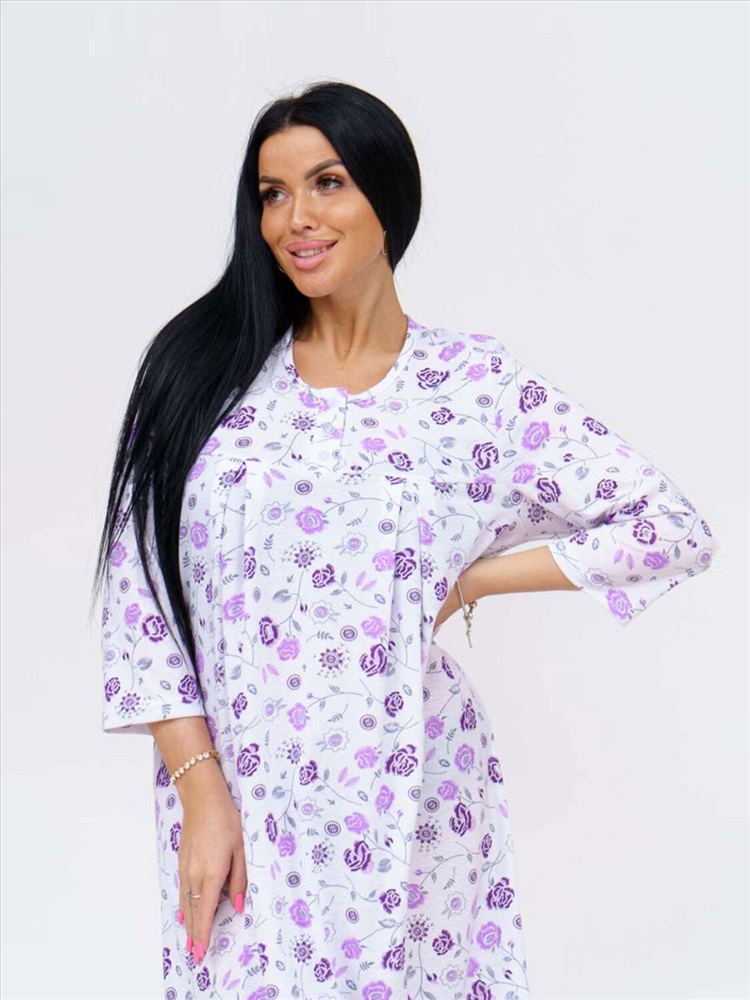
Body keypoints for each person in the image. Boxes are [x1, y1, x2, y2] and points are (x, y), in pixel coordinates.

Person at [94, 81, 716, 1000]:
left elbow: (671, 529)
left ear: (388, 196)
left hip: (414, 788)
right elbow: (138, 591)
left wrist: (474, 581)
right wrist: (200, 789)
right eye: (272, 194)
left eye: (328, 182)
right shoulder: (203, 372)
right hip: (244, 795)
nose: (296, 218)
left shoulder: (472, 387)